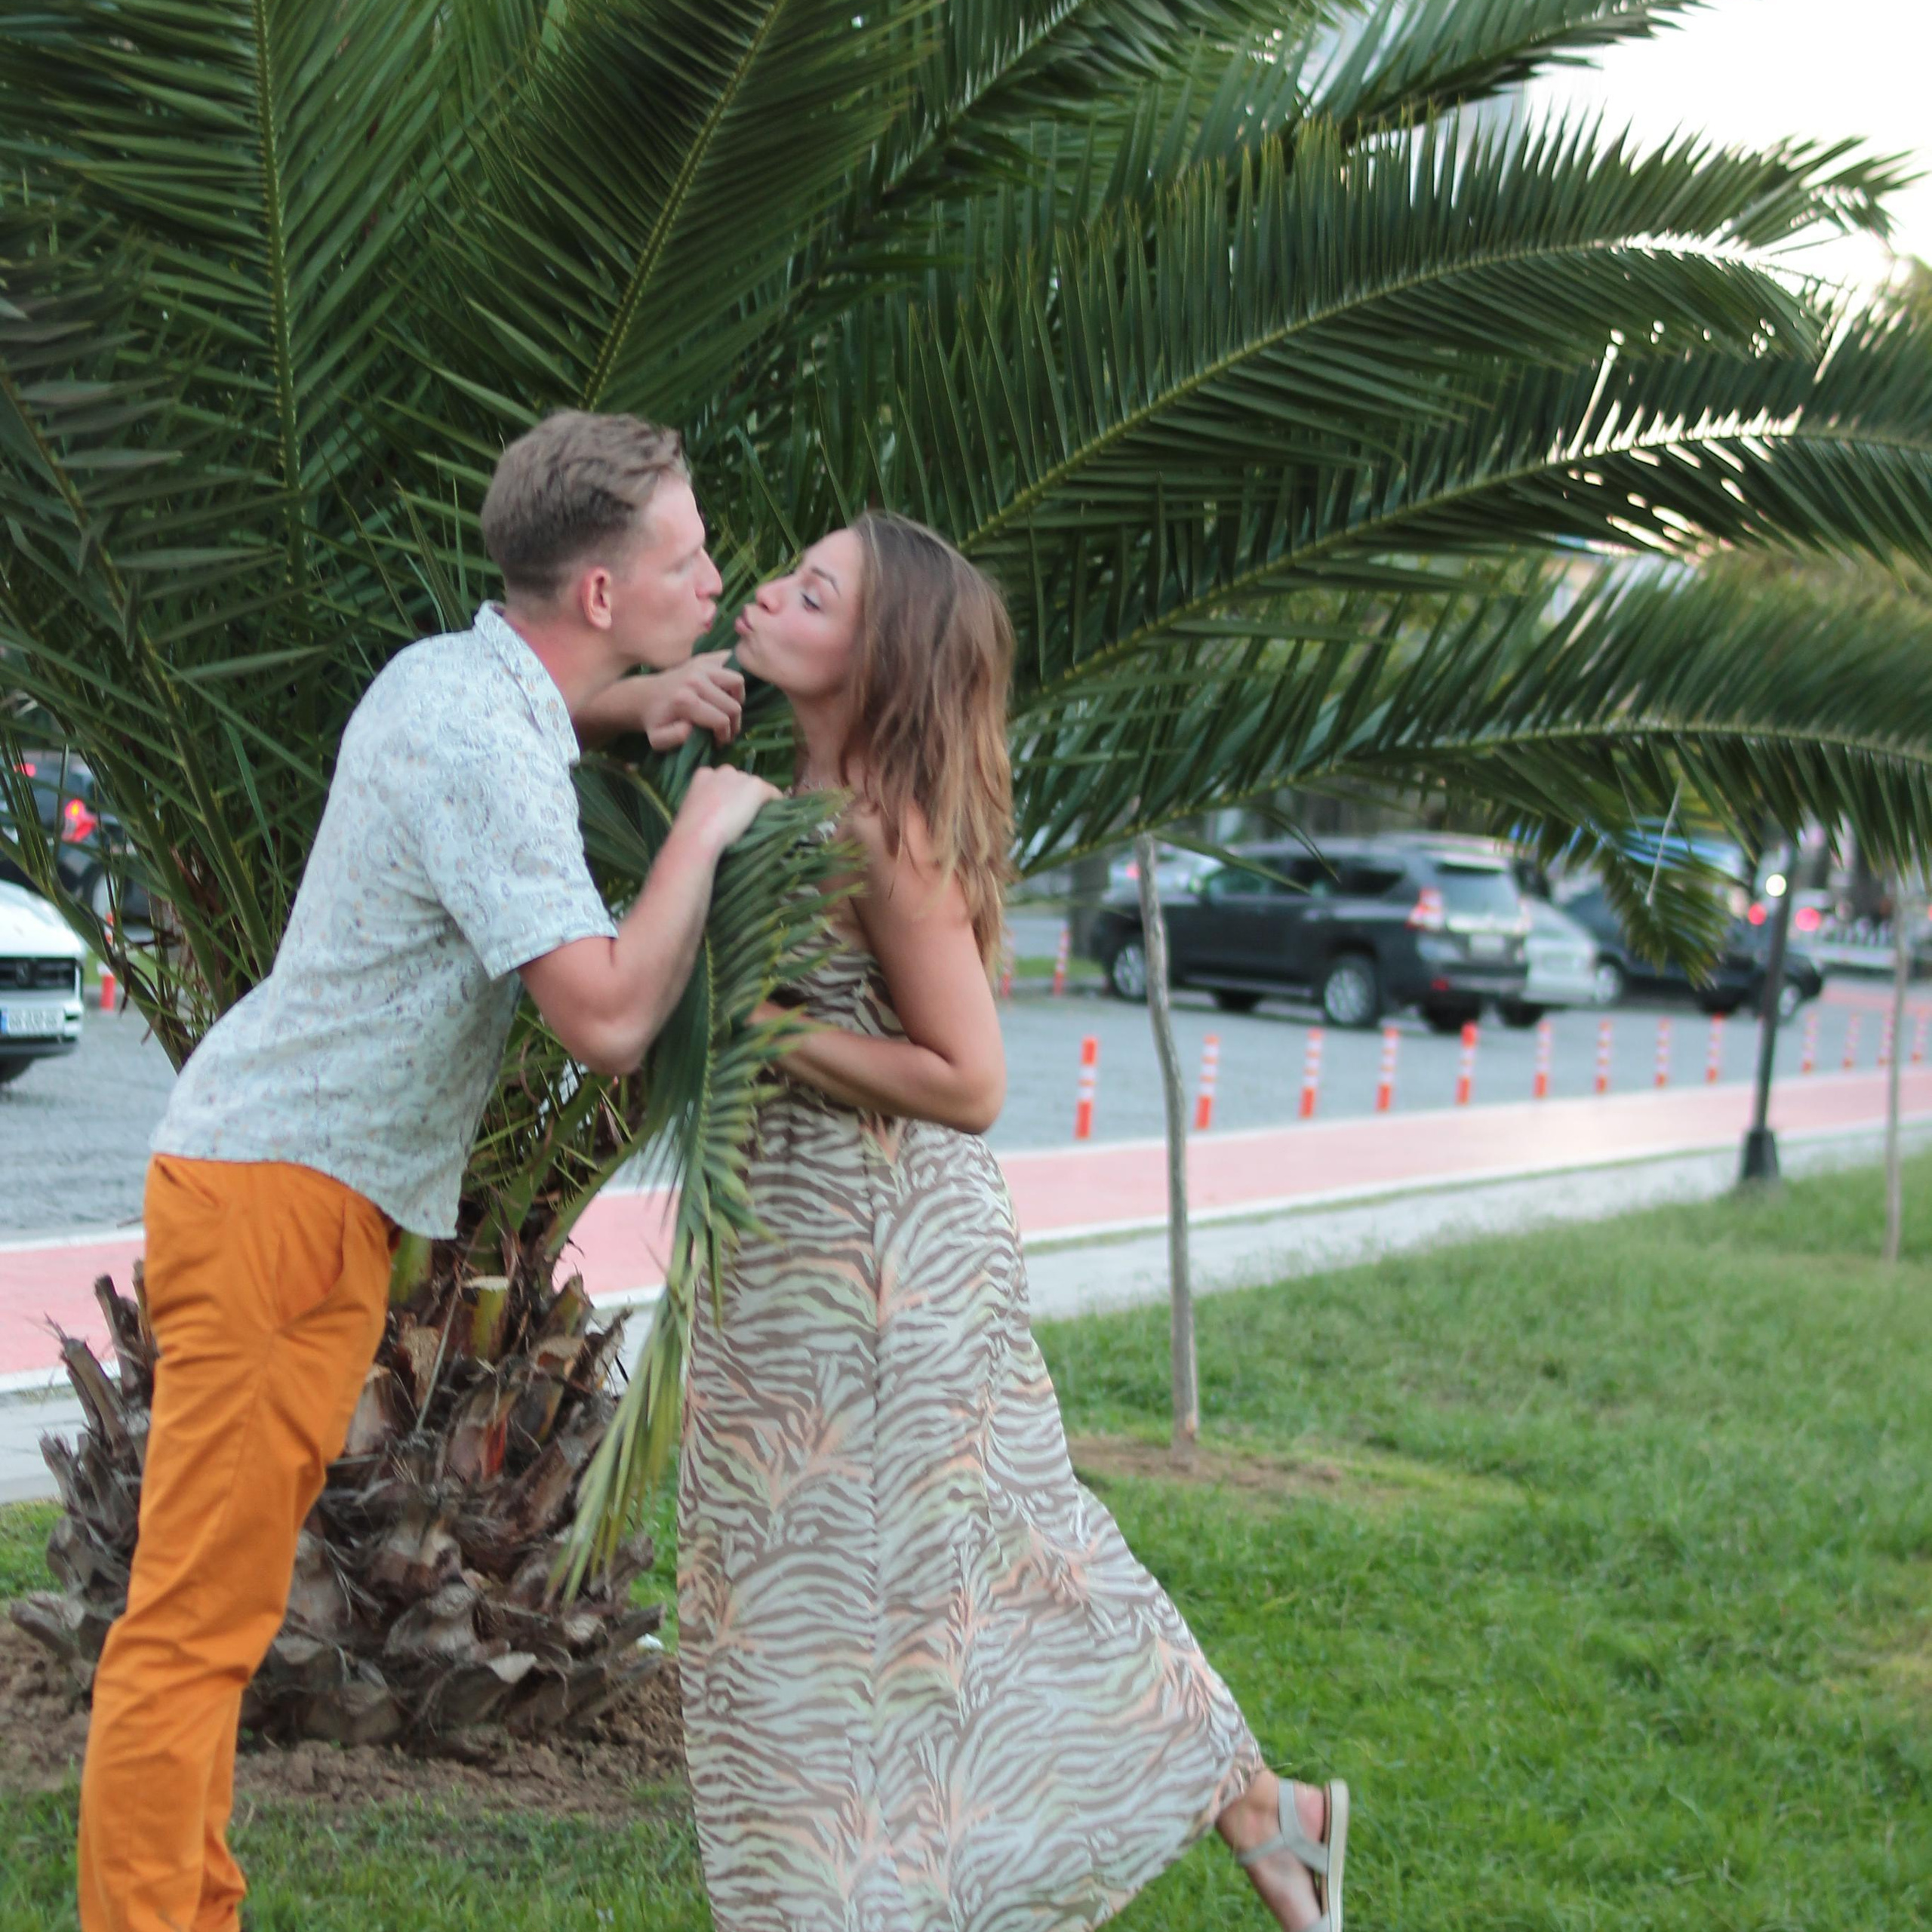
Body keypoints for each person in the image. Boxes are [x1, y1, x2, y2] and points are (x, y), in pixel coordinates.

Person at [75, 411, 778, 1932]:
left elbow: (520, 748)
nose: (719, 572)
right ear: (598, 594)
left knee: (224, 1605)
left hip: (294, 1185)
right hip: (279, 1198)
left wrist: (632, 709)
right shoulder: (478, 738)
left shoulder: (463, 679)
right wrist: (704, 831)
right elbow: (600, 1014)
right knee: (193, 1627)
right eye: (688, 552)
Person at [678, 509, 1348, 1932]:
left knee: (847, 1618)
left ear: (883, 657)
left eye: (813, 592)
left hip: (875, 1276)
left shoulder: (881, 829)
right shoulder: (780, 780)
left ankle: (850, 1900)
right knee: (968, 1568)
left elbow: (971, 1079)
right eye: (786, 574)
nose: (767, 595)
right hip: (800, 1258)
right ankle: (1261, 1808)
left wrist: (760, 1030)